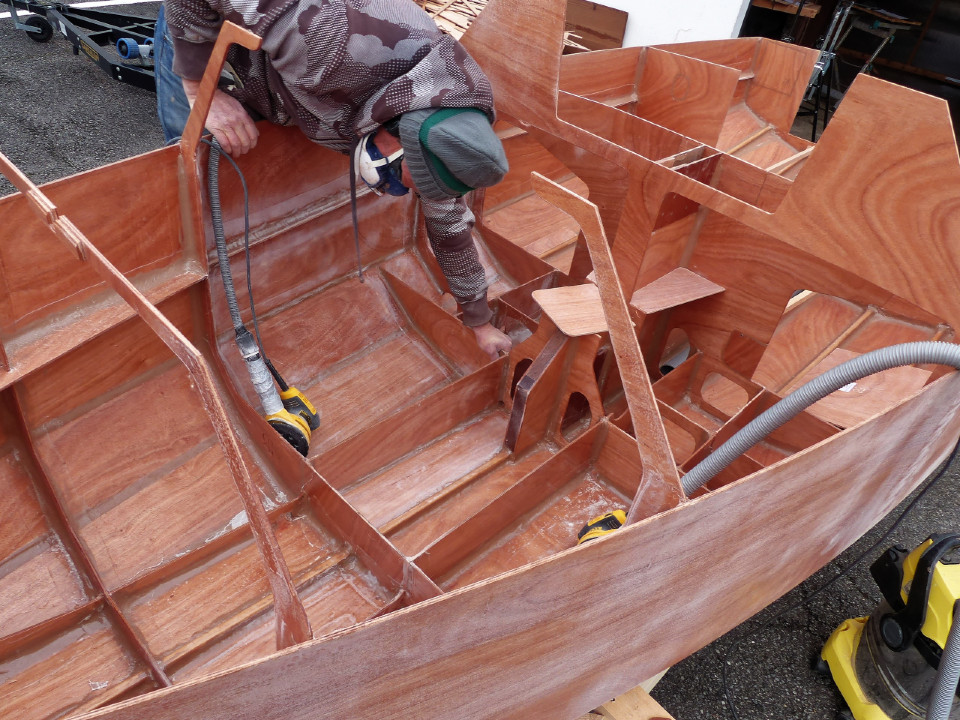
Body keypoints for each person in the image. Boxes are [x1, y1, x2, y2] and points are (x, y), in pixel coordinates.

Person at [154, 0, 513, 358]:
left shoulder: (446, 137)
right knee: (190, 160)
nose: (397, 189)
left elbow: (449, 229)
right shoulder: (331, 39)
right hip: (203, 23)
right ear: (399, 132)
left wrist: (478, 321)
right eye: (398, 178)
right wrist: (201, 89)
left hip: (280, 65)